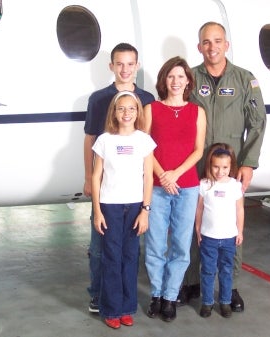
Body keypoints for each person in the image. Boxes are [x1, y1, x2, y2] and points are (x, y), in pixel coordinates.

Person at [179, 21, 267, 312]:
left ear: (226, 45)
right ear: (199, 46)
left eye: (217, 41)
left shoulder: (245, 79)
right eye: (206, 42)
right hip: (197, 161)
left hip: (230, 165)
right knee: (195, 220)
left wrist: (249, 163)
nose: (212, 47)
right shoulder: (190, 78)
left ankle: (231, 287)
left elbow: (257, 123)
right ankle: (192, 281)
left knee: (230, 223)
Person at [83, 43, 155, 313]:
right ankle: (99, 295)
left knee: (128, 253)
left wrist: (146, 204)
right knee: (101, 249)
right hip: (108, 194)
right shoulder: (99, 99)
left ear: (137, 66)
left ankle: (125, 305)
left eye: (130, 63)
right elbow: (90, 140)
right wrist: (89, 179)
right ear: (111, 66)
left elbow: (146, 142)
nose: (125, 69)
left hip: (134, 195)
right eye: (119, 64)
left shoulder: (147, 99)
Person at [143, 56, 206, 322]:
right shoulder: (152, 109)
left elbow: (198, 150)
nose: (176, 81)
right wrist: (162, 176)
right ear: (164, 80)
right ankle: (156, 293)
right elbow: (144, 146)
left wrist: (175, 175)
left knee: (181, 246)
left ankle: (170, 296)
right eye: (171, 76)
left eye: (181, 76)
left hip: (187, 187)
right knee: (155, 244)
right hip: (156, 187)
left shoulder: (197, 112)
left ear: (188, 81)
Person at [91, 91, 155, 329]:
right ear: (114, 113)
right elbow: (96, 176)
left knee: (130, 257)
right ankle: (111, 309)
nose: (126, 113)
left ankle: (127, 308)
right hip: (110, 206)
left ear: (137, 112)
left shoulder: (144, 140)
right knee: (111, 258)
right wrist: (97, 211)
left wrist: (145, 210)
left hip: (135, 206)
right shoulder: (105, 140)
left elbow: (148, 177)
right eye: (121, 109)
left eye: (131, 108)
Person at [196, 143, 244, 318]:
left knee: (226, 270)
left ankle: (225, 301)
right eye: (216, 166)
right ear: (210, 165)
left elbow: (240, 210)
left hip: (229, 238)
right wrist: (198, 229)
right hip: (209, 238)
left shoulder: (234, 186)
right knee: (208, 271)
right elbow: (200, 209)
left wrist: (239, 231)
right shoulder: (205, 185)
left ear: (230, 167)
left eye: (224, 167)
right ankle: (207, 302)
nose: (220, 171)